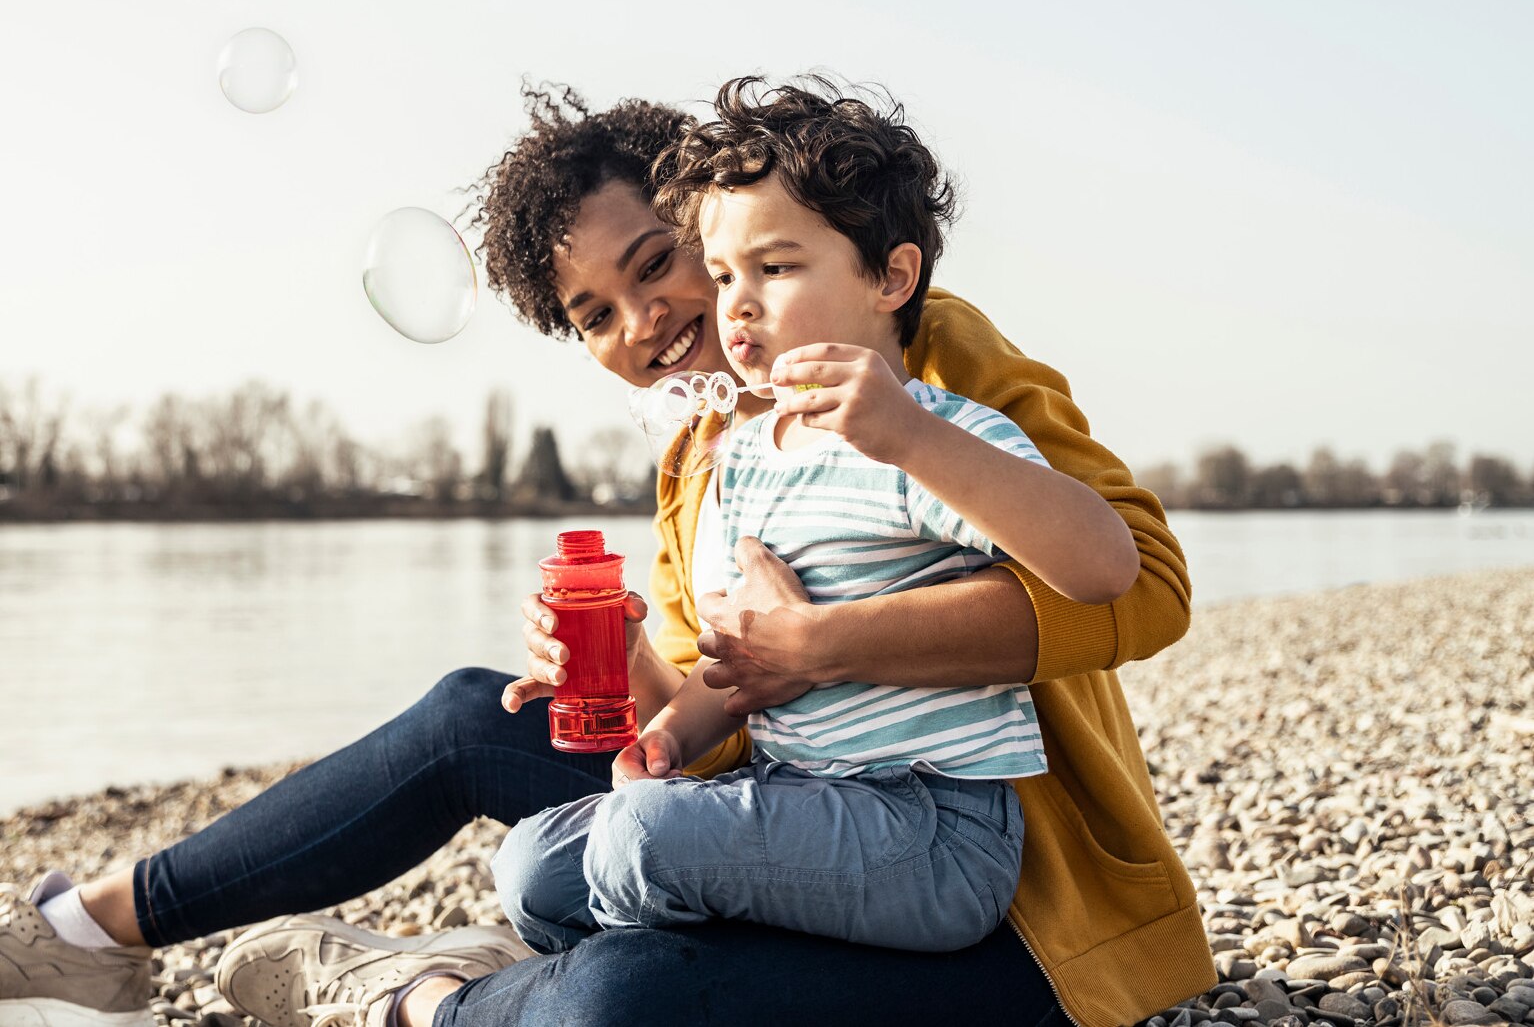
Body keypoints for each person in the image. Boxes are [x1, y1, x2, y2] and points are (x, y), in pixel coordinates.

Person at [0, 81, 1214, 1027]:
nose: (653, 323)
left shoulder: (913, 357)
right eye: (595, 316)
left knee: (624, 1000)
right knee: (476, 717)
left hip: (995, 897)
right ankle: (89, 935)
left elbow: (1141, 585)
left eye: (659, 263)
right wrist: (634, 671)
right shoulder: (706, 449)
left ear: (720, 222)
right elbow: (731, 723)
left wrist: (822, 643)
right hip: (807, 821)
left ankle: (420, 997)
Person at [492, 78, 1141, 956]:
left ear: (892, 278)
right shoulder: (734, 459)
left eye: (776, 268)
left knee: (634, 845)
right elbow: (734, 669)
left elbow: (1109, 569)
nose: (738, 305)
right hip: (802, 792)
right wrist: (664, 738)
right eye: (724, 275)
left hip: (932, 826)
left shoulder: (928, 427)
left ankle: (621, 977)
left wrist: (911, 436)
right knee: (532, 865)